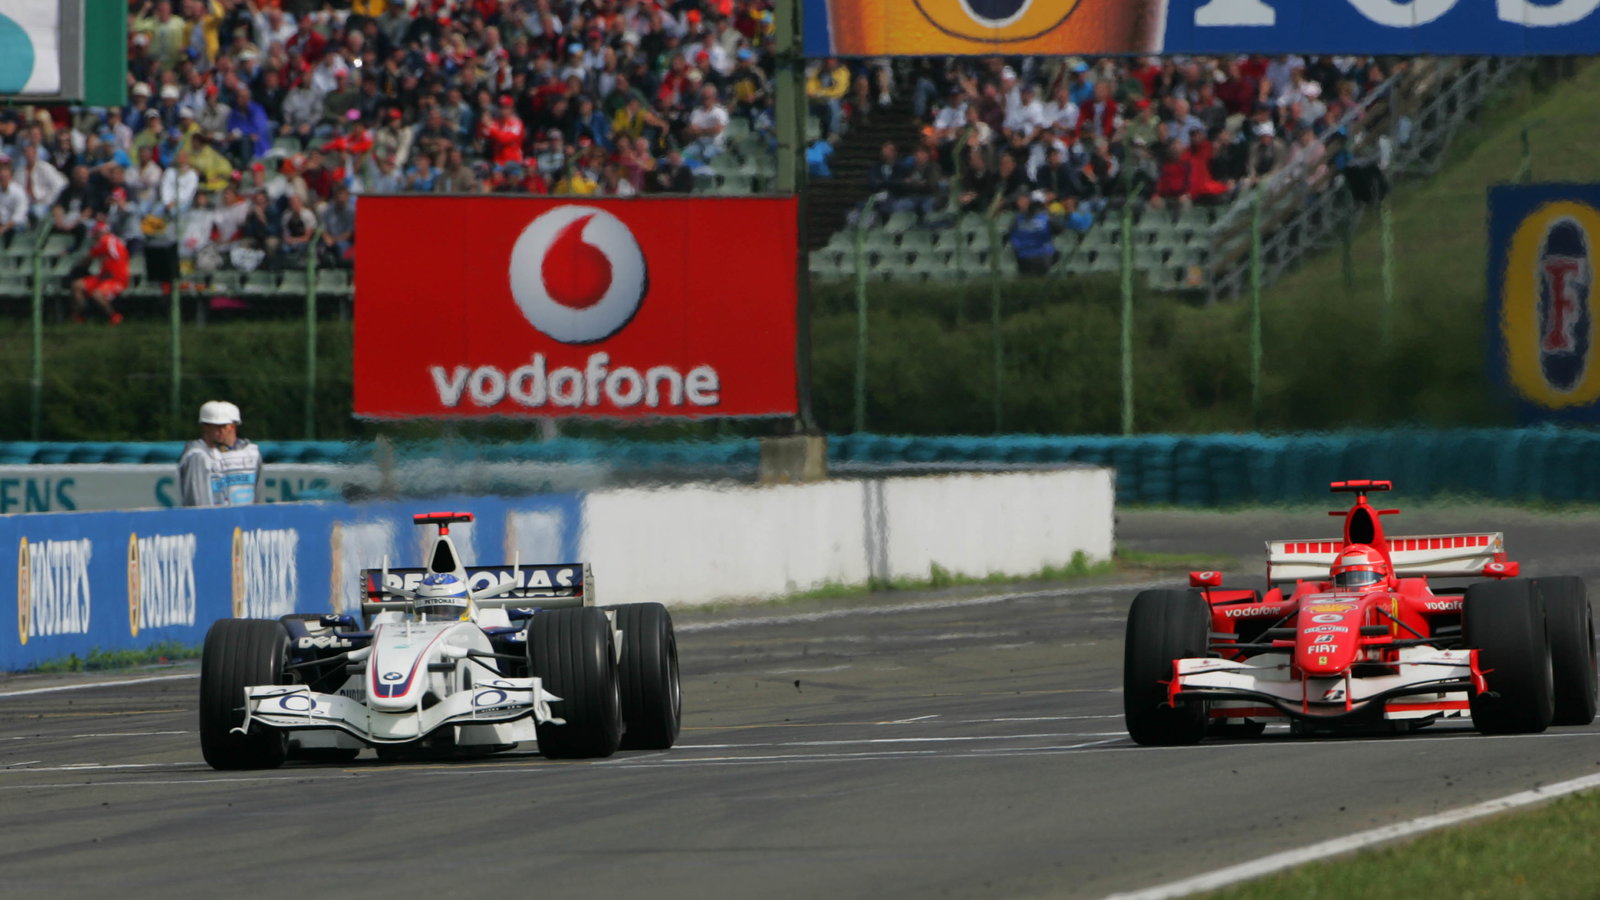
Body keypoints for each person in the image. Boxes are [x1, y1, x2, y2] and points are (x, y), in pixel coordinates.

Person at [177, 400, 262, 507]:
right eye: (214, 426)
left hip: (244, 515)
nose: (220, 430)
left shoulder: (251, 453)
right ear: (204, 426)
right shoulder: (197, 456)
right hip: (212, 516)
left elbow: (258, 497)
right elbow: (197, 502)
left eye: (224, 426)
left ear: (233, 426)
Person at [71, 217, 129, 325]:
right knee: (77, 285)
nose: (94, 237)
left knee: (97, 294)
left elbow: (88, 259)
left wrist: (79, 267)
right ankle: (81, 316)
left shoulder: (105, 241)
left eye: (95, 234)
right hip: (104, 277)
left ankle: (114, 316)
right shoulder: (113, 241)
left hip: (116, 279)